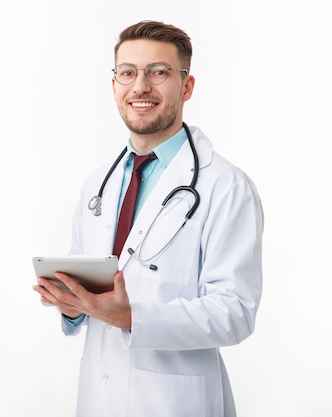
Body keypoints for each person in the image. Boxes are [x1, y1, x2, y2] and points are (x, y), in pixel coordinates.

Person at [33, 20, 264, 417]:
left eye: (158, 72)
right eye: (128, 73)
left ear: (187, 86)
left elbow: (235, 311)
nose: (140, 87)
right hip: (98, 398)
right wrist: (72, 306)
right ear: (114, 86)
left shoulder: (226, 187)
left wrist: (132, 316)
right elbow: (90, 287)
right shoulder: (96, 186)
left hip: (177, 404)